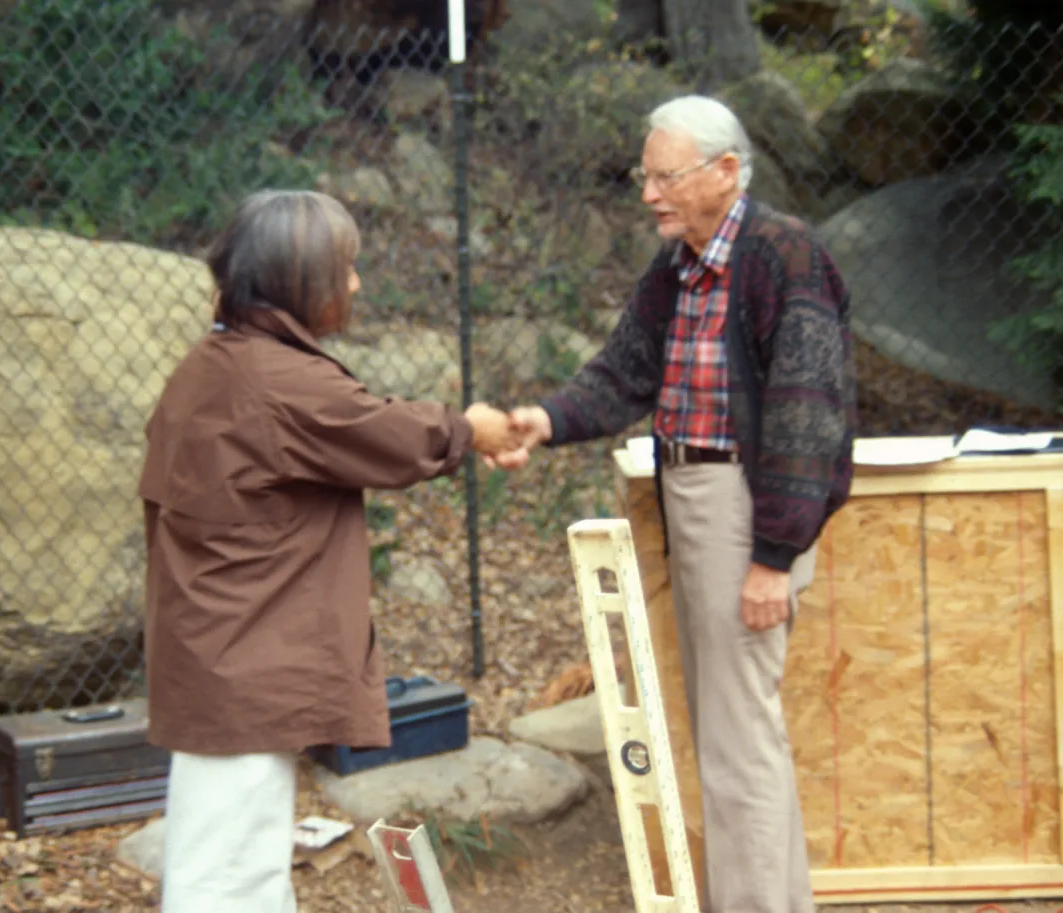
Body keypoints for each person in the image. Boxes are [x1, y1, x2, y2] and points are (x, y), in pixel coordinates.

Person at [494, 95, 856, 913]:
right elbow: (624, 371)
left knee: (738, 743)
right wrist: (542, 422)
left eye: (666, 176)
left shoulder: (783, 255)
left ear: (726, 172)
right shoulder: (681, 264)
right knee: (734, 736)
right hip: (696, 497)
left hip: (745, 506)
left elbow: (807, 414)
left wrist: (772, 557)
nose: (650, 192)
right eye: (644, 175)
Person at [138, 189, 519, 913]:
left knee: (230, 854)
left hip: (215, 651)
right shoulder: (276, 381)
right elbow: (386, 433)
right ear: (298, 282)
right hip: (243, 659)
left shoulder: (214, 363)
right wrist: (471, 429)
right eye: (344, 269)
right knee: (230, 874)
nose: (355, 284)